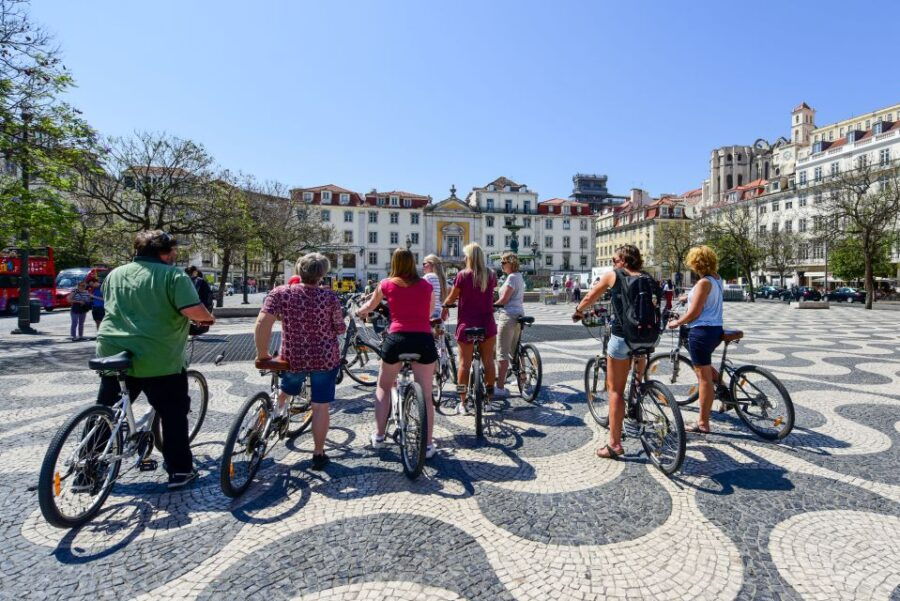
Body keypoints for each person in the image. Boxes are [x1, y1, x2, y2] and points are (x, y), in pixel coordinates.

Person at [96, 230, 215, 489]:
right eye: (172, 251)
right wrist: (207, 319)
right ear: (165, 253)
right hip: (157, 356)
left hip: (112, 351)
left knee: (106, 412)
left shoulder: (115, 273)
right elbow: (194, 311)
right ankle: (180, 471)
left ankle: (88, 469)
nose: (175, 255)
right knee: (173, 414)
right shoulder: (173, 275)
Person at [255, 253, 345, 470]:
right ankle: (318, 453)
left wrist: (262, 354)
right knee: (320, 406)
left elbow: (262, 322)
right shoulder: (330, 298)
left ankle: (268, 421)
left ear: (298, 271)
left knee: (286, 390)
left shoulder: (281, 293)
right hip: (324, 358)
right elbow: (340, 328)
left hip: (293, 357)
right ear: (322, 274)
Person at [572, 244, 660, 460]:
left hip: (623, 338)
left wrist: (578, 311)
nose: (612, 263)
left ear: (622, 261)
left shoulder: (614, 275)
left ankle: (615, 444)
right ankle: (638, 396)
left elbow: (590, 297)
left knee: (615, 391)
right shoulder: (647, 277)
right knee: (636, 378)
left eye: (614, 260)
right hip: (648, 337)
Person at [357, 248, 438, 457]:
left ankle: (379, 436)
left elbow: (370, 305)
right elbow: (429, 312)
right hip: (423, 340)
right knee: (427, 395)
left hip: (396, 340)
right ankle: (428, 445)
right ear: (413, 263)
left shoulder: (385, 284)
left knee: (384, 386)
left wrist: (360, 311)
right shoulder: (426, 286)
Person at [666, 245, 724, 434]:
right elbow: (703, 299)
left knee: (703, 379)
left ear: (696, 263)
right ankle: (724, 390)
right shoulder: (716, 279)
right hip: (715, 330)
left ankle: (703, 423)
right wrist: (687, 296)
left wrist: (677, 322)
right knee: (706, 366)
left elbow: (694, 313)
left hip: (700, 332)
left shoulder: (703, 283)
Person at [442, 242, 497, 415]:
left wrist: (445, 304)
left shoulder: (462, 275)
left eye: (465, 255)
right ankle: (488, 400)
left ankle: (463, 402)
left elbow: (452, 298)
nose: (464, 258)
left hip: (467, 325)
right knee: (488, 362)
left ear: (470, 257)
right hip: (487, 324)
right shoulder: (491, 275)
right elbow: (491, 294)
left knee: (463, 365)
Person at [494, 251, 525, 397]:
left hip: (508, 316)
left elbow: (505, 299)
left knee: (502, 351)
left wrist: (492, 306)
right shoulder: (519, 276)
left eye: (503, 262)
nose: (501, 265)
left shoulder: (512, 277)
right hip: (519, 314)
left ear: (511, 263)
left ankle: (499, 387)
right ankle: (523, 378)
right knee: (515, 349)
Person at [422, 254, 447, 321]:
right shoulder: (441, 278)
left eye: (424, 263)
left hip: (429, 311)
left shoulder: (429, 276)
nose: (423, 266)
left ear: (431, 264)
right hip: (438, 311)